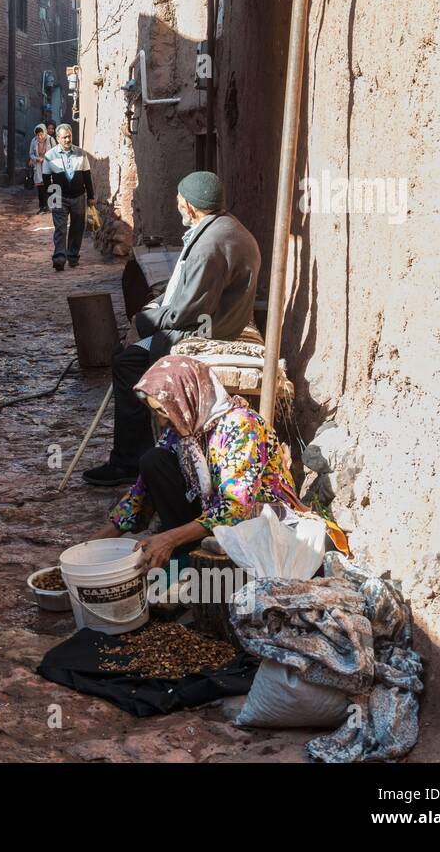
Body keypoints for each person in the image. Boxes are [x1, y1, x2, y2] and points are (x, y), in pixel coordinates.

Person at [83, 171, 260, 486]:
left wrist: (143, 323)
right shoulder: (222, 226)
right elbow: (181, 291)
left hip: (209, 331)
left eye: (179, 201)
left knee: (126, 363)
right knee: (129, 349)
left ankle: (130, 461)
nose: (178, 206)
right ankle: (139, 450)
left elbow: (188, 312)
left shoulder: (209, 246)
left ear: (190, 207)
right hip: (213, 318)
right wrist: (151, 311)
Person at [90, 355, 349, 570]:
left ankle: (187, 553)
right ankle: (187, 549)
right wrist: (95, 544)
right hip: (213, 511)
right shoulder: (185, 427)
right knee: (153, 462)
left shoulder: (241, 426)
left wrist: (169, 538)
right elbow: (141, 491)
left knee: (229, 544)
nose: (161, 422)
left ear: (186, 397)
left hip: (258, 517)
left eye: (163, 412)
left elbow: (236, 508)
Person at [42, 123, 93, 270]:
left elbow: (87, 176)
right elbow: (46, 179)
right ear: (57, 138)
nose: (67, 140)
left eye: (69, 136)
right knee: (60, 228)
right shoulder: (49, 156)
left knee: (78, 227)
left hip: (78, 196)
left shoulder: (81, 153)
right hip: (58, 196)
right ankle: (59, 258)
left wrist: (91, 196)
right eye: (64, 137)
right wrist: (51, 198)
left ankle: (73, 256)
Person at [28, 124, 51, 214]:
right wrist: (37, 159)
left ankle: (48, 206)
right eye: (38, 135)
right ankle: (42, 207)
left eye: (41, 134)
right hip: (38, 166)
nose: (40, 136)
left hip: (48, 165)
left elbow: (55, 151)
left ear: (45, 132)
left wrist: (46, 159)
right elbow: (31, 154)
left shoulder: (50, 139)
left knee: (48, 186)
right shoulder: (33, 141)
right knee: (40, 187)